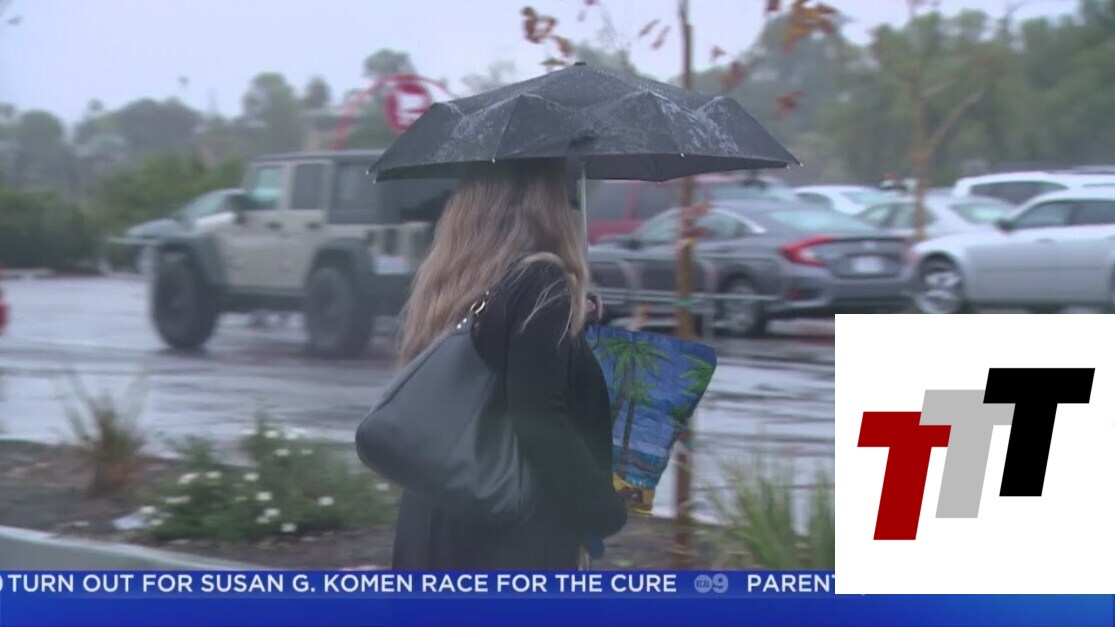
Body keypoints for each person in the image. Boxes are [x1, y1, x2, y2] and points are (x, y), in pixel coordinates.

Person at [391, 159, 628, 570]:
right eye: (564, 194)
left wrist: (570, 331)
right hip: (507, 537)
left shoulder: (452, 284)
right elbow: (540, 419)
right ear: (544, 204)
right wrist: (604, 509)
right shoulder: (540, 283)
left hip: (434, 519)